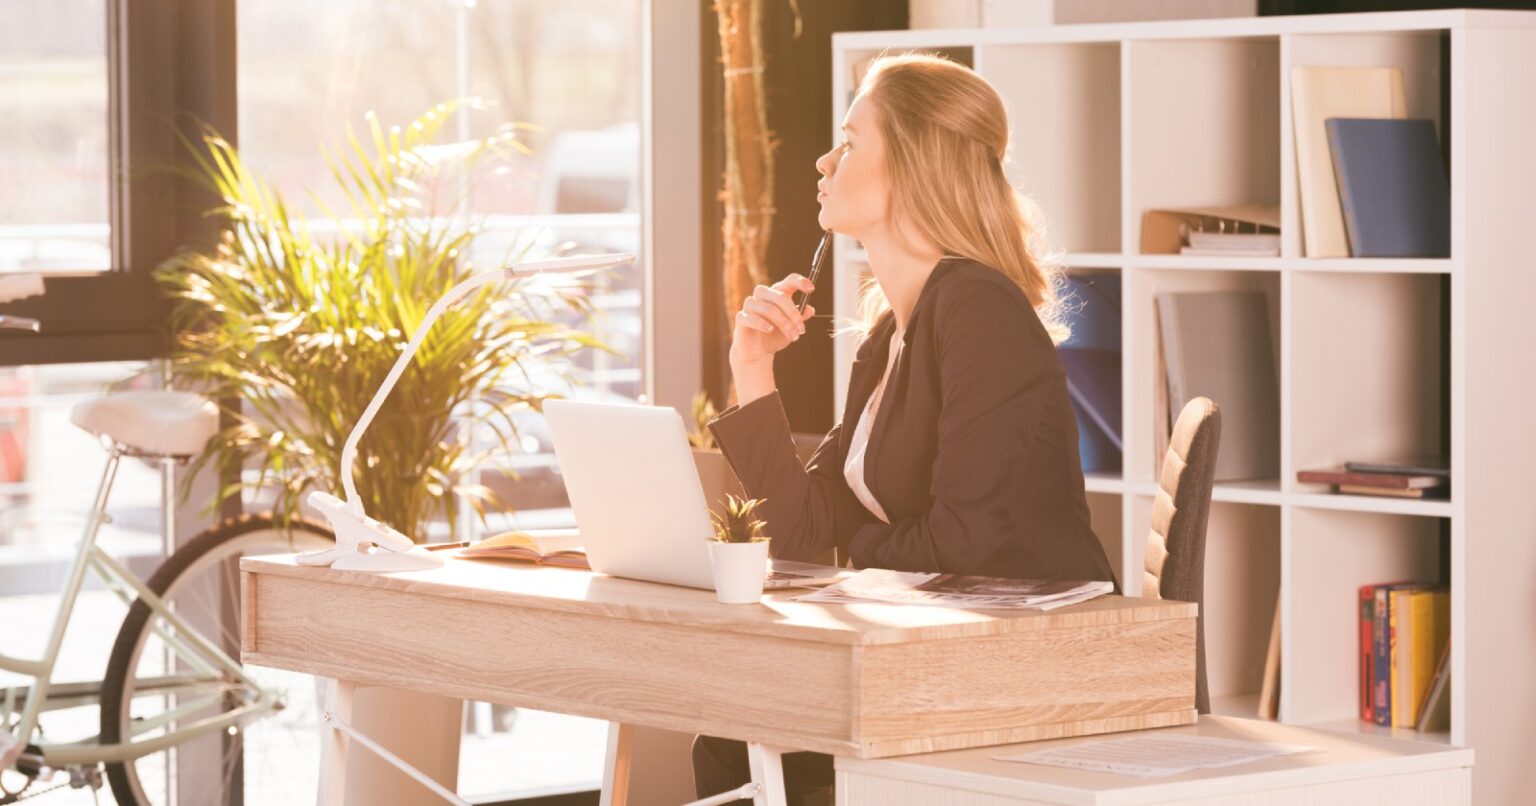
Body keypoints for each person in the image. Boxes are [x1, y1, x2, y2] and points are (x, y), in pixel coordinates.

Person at [690, 52, 1119, 804]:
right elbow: (798, 532)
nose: (825, 159)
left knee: (748, 746)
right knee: (730, 733)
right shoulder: (893, 331)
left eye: (850, 141)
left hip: (1027, 664)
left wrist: (854, 553)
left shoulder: (979, 311)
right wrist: (753, 370)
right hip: (946, 645)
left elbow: (967, 544)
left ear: (913, 166)